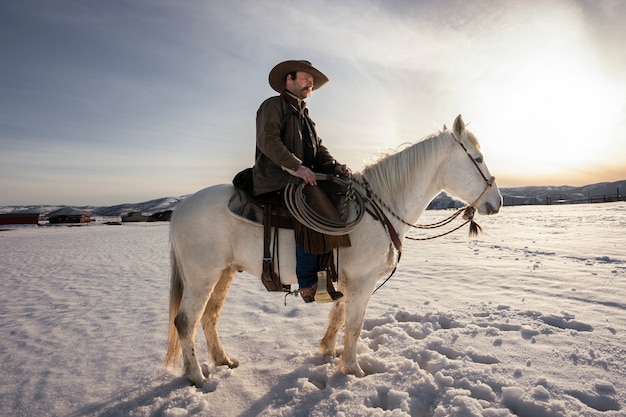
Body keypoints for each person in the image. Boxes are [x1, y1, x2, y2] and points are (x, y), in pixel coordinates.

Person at [252, 60, 350, 303]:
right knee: (310, 206)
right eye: (306, 79)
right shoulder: (273, 106)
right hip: (278, 177)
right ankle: (308, 283)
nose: (310, 84)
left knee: (338, 195)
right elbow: (269, 142)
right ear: (289, 79)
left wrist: (334, 165)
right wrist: (297, 167)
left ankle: (329, 270)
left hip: (302, 176)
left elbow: (318, 150)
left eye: (312, 82)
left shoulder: (306, 117)